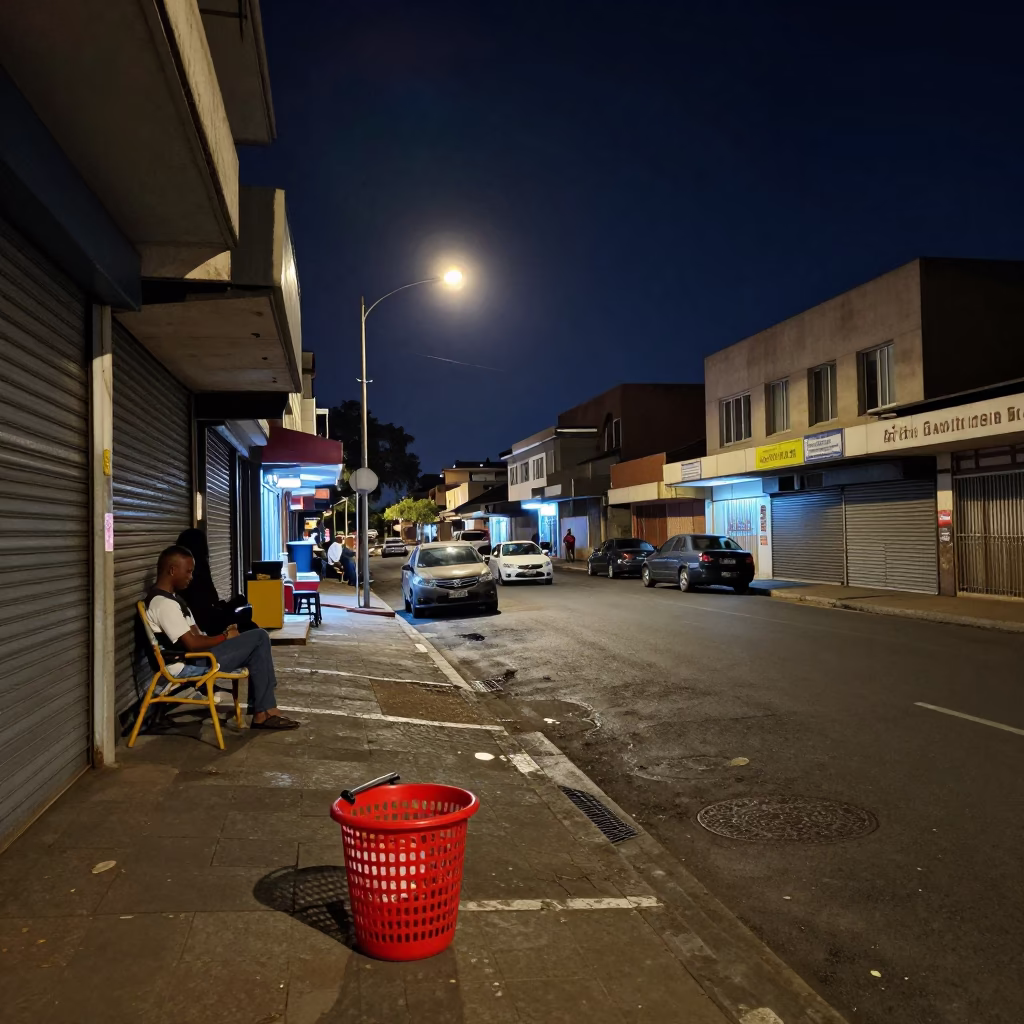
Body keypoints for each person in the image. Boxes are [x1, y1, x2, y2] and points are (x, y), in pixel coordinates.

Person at [146, 545, 300, 730]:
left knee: (257, 641)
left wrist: (227, 635)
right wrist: (225, 637)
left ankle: (264, 712)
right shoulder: (163, 604)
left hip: (200, 656)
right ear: (172, 570)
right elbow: (193, 644)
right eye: (188, 571)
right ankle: (264, 712)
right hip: (191, 663)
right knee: (259, 638)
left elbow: (195, 633)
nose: (191, 577)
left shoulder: (173, 599)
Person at [176, 529, 256, 635]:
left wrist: (232, 605)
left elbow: (210, 605)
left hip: (212, 621)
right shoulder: (190, 577)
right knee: (253, 630)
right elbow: (203, 616)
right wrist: (231, 615)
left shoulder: (200, 570)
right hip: (208, 629)